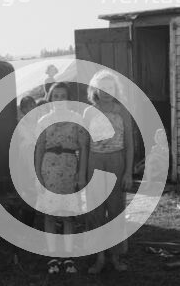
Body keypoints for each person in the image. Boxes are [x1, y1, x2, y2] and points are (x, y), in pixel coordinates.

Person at [83, 70, 133, 273]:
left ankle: (115, 257)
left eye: (109, 87)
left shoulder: (122, 111)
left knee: (115, 209)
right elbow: (85, 145)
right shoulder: (88, 112)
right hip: (95, 162)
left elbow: (130, 144)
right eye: (101, 88)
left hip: (116, 161)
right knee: (95, 211)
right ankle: (99, 258)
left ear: (115, 90)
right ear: (95, 89)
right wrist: (82, 175)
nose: (105, 91)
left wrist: (129, 172)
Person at [35, 82, 87, 273]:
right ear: (50, 98)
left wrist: (81, 174)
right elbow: (39, 148)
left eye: (63, 96)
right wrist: (38, 174)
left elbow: (83, 148)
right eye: (55, 96)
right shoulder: (43, 120)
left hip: (69, 168)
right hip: (49, 169)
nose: (59, 100)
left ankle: (68, 257)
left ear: (69, 98)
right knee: (49, 215)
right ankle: (52, 256)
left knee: (68, 216)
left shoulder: (77, 119)